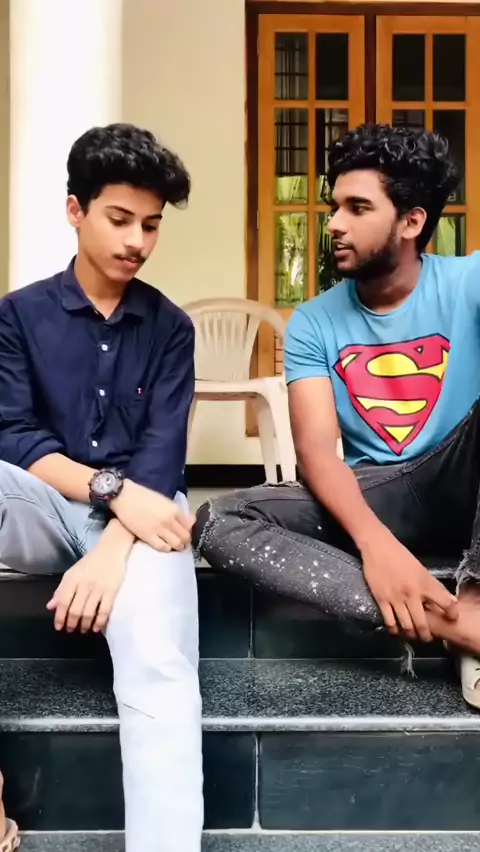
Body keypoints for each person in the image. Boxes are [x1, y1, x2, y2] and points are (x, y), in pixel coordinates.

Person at [195, 122, 480, 712]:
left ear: (412, 221)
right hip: (382, 493)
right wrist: (377, 547)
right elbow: (317, 452)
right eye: (334, 207)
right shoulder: (313, 321)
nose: (334, 224)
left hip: (466, 475)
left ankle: (475, 596)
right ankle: (460, 629)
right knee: (221, 520)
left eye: (358, 208)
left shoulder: (469, 282)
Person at [0, 124, 202, 851]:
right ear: (75, 210)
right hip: (46, 501)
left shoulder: (171, 327)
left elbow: (162, 458)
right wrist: (111, 491)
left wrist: (110, 552)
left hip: (144, 518)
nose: (137, 241)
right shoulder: (17, 315)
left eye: (151, 224)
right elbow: (14, 435)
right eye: (120, 219)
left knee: (159, 665)